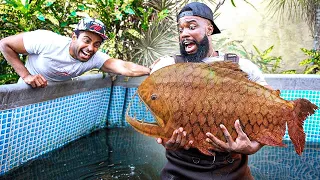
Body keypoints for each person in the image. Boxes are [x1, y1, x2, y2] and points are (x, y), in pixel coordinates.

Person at [151, 2, 273, 180]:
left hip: (233, 171)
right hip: (180, 171)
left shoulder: (242, 68)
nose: (184, 33)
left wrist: (254, 146)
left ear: (209, 28)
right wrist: (167, 140)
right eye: (180, 29)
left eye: (192, 27)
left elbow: (271, 112)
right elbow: (160, 116)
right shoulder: (167, 67)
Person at [0, 17, 150, 88]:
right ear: (74, 37)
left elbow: (125, 67)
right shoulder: (47, 41)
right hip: (27, 92)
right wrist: (26, 76)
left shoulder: (95, 58)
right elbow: (5, 44)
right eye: (86, 40)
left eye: (96, 44)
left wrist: (151, 70)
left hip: (58, 96)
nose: (91, 48)